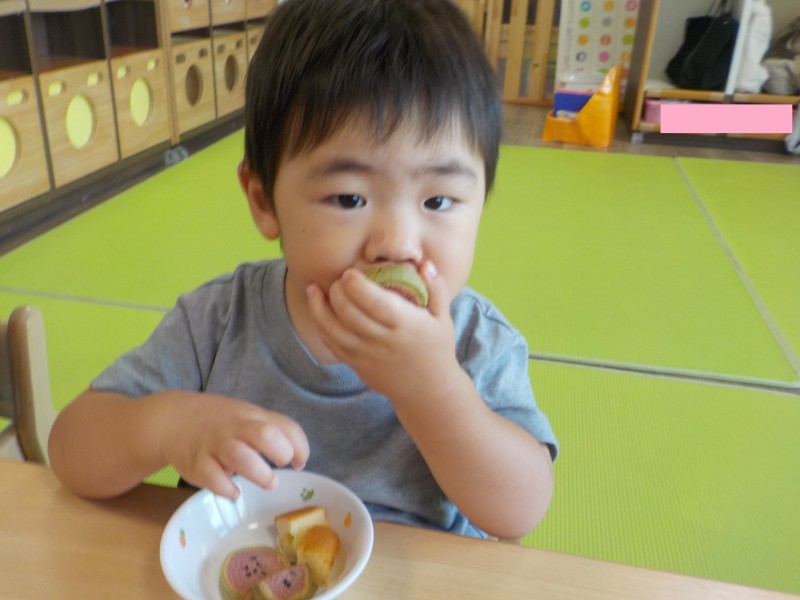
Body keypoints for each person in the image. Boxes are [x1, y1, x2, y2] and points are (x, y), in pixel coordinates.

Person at [48, 0, 558, 540]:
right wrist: (166, 424)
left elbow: (520, 511)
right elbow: (70, 451)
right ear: (264, 201)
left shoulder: (475, 340)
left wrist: (433, 390)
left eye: (438, 201)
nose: (397, 244)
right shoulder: (220, 322)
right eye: (349, 198)